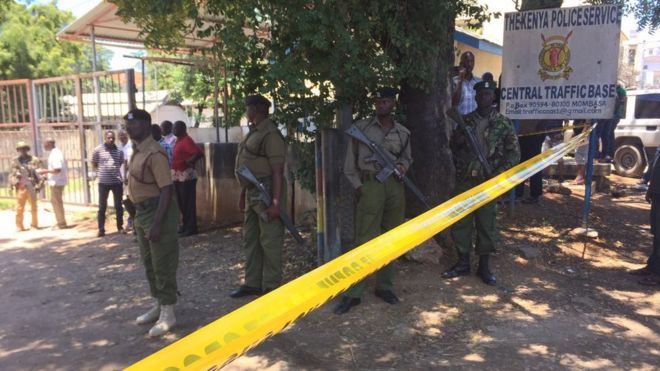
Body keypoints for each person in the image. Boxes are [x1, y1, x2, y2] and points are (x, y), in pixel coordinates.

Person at [334, 87, 412, 315]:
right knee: (364, 239)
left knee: (392, 237)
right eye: (378, 102)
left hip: (395, 187)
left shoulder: (403, 133)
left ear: (393, 104)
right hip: (370, 186)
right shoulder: (361, 130)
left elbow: (407, 157)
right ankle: (354, 292)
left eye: (386, 102)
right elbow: (349, 164)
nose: (381, 105)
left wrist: (402, 167)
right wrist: (359, 187)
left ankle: (385, 286)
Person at [442, 80, 520, 285]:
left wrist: (498, 173)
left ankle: (484, 267)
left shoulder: (503, 123)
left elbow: (514, 154)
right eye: (480, 94)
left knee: (487, 224)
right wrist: (458, 141)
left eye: (488, 94)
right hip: (466, 180)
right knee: (462, 222)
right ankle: (462, 263)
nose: (484, 97)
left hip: (489, 182)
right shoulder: (465, 121)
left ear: (493, 97)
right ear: (475, 97)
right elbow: (453, 147)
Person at [124, 109, 180, 337]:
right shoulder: (136, 151)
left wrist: (157, 224)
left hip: (158, 213)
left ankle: (169, 312)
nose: (129, 128)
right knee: (148, 263)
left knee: (162, 263)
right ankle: (159, 304)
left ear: (146, 125)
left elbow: (167, 190)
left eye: (134, 124)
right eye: (127, 125)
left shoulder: (154, 153)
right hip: (141, 214)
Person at [230, 94, 287, 299]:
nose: (246, 112)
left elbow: (278, 171)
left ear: (256, 109)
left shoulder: (270, 134)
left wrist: (275, 203)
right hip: (252, 193)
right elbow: (247, 167)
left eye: (248, 108)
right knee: (251, 240)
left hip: (267, 192)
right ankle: (253, 283)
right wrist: (242, 193)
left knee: (270, 240)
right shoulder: (253, 132)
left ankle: (272, 286)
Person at [515, 119, 563, 203]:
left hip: (534, 135)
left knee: (534, 166)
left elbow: (544, 120)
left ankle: (534, 195)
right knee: (520, 164)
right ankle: (518, 193)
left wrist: (541, 129)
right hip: (522, 135)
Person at [632, 153, 660, 286]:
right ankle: (652, 267)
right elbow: (655, 166)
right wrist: (650, 188)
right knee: (656, 232)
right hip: (656, 193)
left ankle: (658, 274)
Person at [172, 121, 203, 236]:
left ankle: (191, 228)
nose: (173, 130)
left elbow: (199, 153)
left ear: (183, 128)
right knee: (181, 203)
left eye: (176, 127)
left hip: (186, 176)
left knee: (188, 203)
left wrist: (188, 161)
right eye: (173, 128)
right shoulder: (179, 140)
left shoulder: (186, 140)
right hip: (178, 176)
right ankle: (185, 226)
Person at [92, 130, 125, 237]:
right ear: (105, 138)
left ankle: (120, 227)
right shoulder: (98, 150)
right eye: (109, 138)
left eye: (113, 138)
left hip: (116, 182)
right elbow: (94, 163)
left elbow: (120, 163)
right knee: (102, 207)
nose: (111, 140)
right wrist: (102, 173)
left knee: (118, 206)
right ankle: (101, 229)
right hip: (103, 183)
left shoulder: (119, 150)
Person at [10, 141, 42, 231]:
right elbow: (11, 174)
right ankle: (19, 226)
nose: (22, 151)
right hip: (21, 186)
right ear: (18, 150)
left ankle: (34, 225)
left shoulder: (34, 160)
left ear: (27, 149)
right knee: (19, 208)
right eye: (20, 149)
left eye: (24, 148)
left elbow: (40, 174)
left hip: (32, 186)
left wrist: (39, 185)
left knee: (33, 207)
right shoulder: (15, 161)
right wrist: (14, 181)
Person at [37, 139, 68, 229]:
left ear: (50, 143)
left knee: (57, 203)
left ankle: (61, 223)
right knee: (56, 202)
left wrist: (43, 171)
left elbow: (57, 169)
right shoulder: (55, 153)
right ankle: (60, 221)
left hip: (57, 182)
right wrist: (47, 175)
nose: (44, 146)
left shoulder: (55, 154)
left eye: (45, 143)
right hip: (56, 181)